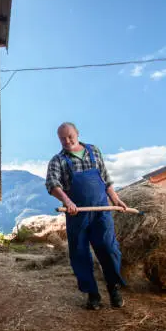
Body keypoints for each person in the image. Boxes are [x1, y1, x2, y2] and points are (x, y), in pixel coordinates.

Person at [45, 122, 127, 310]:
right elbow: (52, 184)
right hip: (77, 214)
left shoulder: (94, 151)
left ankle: (113, 288)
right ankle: (93, 294)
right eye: (62, 138)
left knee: (109, 248)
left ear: (77, 134)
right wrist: (67, 202)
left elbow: (105, 178)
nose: (67, 141)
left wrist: (115, 198)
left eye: (70, 136)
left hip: (101, 211)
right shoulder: (58, 160)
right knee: (80, 253)